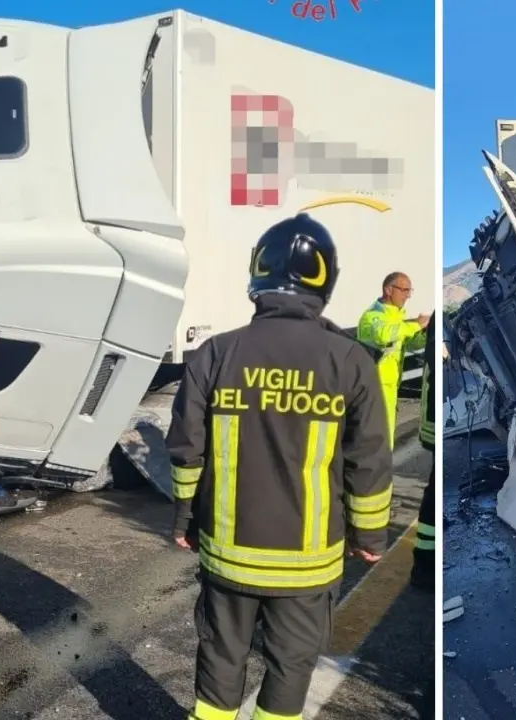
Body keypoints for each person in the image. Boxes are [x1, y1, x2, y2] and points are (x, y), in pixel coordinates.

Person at [167, 213, 395, 720]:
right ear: (326, 282)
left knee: (222, 658)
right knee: (291, 667)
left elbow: (186, 447)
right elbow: (369, 461)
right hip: (308, 563)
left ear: (257, 276)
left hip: (228, 555)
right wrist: (370, 536)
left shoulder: (216, 353)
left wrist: (185, 517)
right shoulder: (351, 360)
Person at [357, 272, 429, 448]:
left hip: (389, 386)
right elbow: (384, 334)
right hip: (373, 386)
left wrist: (425, 333)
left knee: (385, 435)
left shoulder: (396, 317)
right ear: (389, 290)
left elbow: (408, 344)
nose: (407, 296)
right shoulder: (372, 316)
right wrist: (416, 324)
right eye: (404, 290)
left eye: (409, 291)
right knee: (374, 436)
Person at [410, 312, 436, 591]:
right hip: (432, 419)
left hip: (431, 415)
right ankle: (423, 565)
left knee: (433, 488)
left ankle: (424, 561)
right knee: (433, 491)